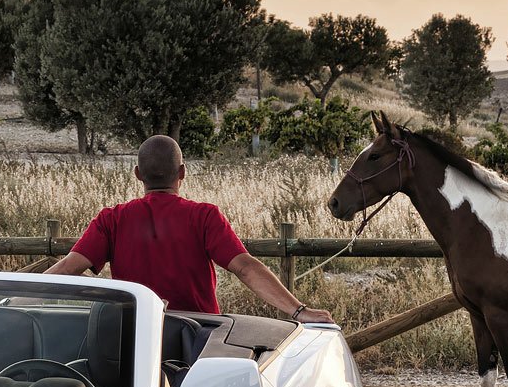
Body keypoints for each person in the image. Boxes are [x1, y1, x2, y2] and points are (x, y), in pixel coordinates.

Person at [48, 135, 335, 324]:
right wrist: (299, 311)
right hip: (198, 333)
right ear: (183, 172)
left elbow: (66, 270)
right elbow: (245, 267)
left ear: (137, 175)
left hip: (135, 338)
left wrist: (7, 299)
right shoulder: (204, 216)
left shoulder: (111, 219)